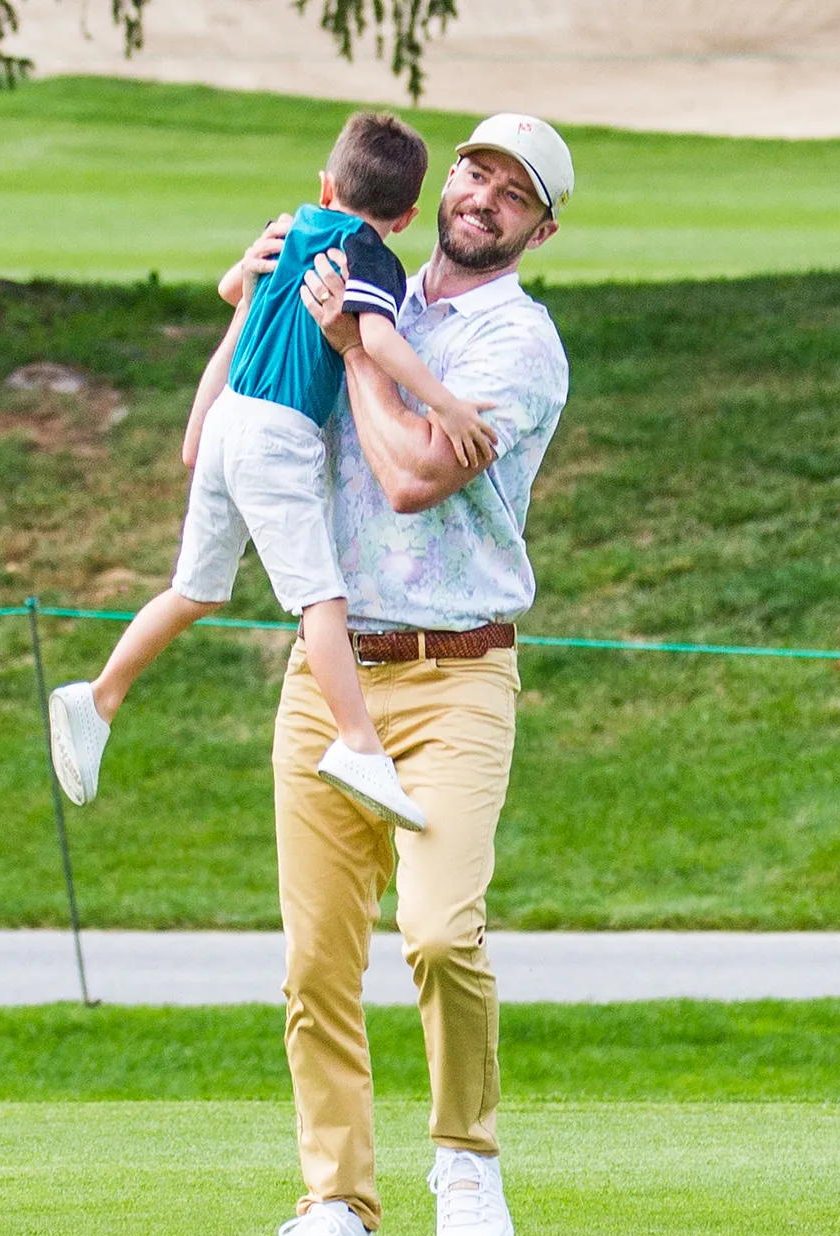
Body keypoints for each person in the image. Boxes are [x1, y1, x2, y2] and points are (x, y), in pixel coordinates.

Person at [229, 112, 574, 1236]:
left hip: (458, 672)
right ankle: (336, 1210)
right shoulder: (358, 268)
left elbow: (414, 474)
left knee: (438, 931)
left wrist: (356, 346)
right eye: (475, 170)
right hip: (332, 672)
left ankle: (465, 1152)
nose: (483, 194)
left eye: (512, 191)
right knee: (317, 960)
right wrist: (266, 279)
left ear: (541, 226)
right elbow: (249, 389)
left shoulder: (518, 343)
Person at [44, 111, 504, 833]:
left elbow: (235, 286)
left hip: (229, 417)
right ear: (409, 216)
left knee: (194, 587)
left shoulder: (291, 226)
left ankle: (99, 696)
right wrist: (444, 405)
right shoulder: (370, 256)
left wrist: (249, 273)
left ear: (326, 183)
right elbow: (374, 338)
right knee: (321, 598)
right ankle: (357, 743)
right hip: (277, 435)